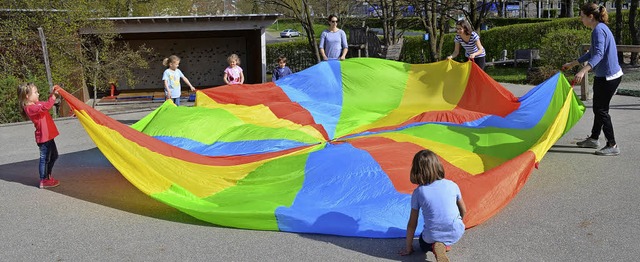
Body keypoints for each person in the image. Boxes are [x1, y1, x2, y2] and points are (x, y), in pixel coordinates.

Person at [562, 3, 623, 156]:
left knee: (601, 110)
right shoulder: (598, 29)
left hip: (609, 77)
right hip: (604, 75)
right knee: (598, 108)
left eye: (582, 16)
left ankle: (612, 145)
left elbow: (599, 55)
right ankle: (594, 139)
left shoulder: (599, 30)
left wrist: (583, 71)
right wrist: (573, 63)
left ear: (590, 17)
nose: (580, 19)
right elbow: (591, 53)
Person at [399, 149, 466, 262]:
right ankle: (445, 244)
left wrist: (408, 248)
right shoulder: (452, 185)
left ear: (416, 170)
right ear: (438, 165)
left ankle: (436, 245)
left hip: (432, 235)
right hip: (456, 231)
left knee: (422, 241)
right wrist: (457, 224)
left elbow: (412, 223)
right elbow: (463, 210)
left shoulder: (419, 192)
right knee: (445, 232)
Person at [18, 83, 62, 189]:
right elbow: (46, 106)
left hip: (48, 136)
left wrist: (53, 94)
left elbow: (45, 103)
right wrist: (53, 97)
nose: (38, 94)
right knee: (45, 159)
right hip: (43, 138)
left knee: (54, 156)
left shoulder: (37, 104)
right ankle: (43, 180)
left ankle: (47, 176)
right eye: (35, 92)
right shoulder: (29, 108)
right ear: (27, 96)